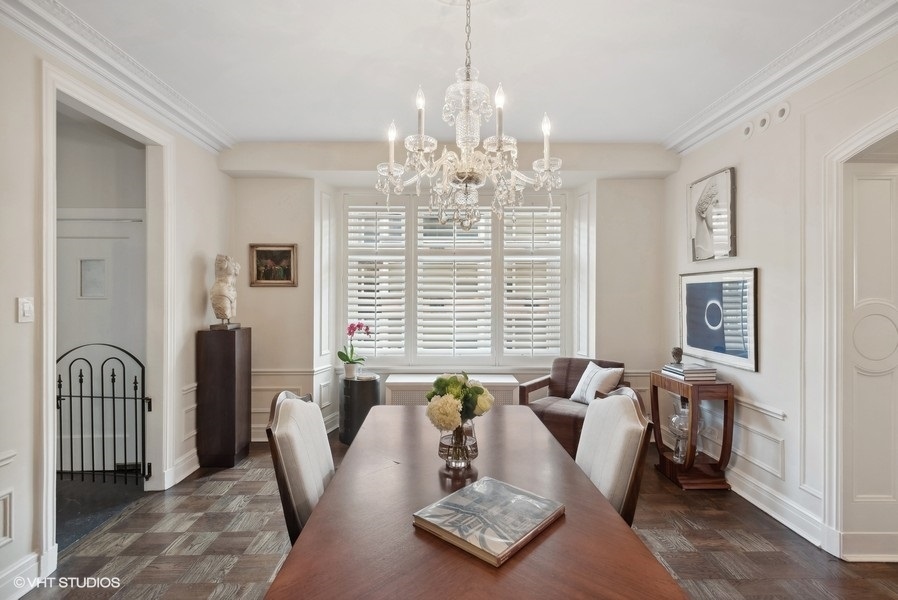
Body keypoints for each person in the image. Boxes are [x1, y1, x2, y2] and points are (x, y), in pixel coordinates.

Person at [693, 179, 718, 260]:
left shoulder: (719, 248)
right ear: (703, 211)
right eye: (714, 204)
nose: (719, 211)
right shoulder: (700, 250)